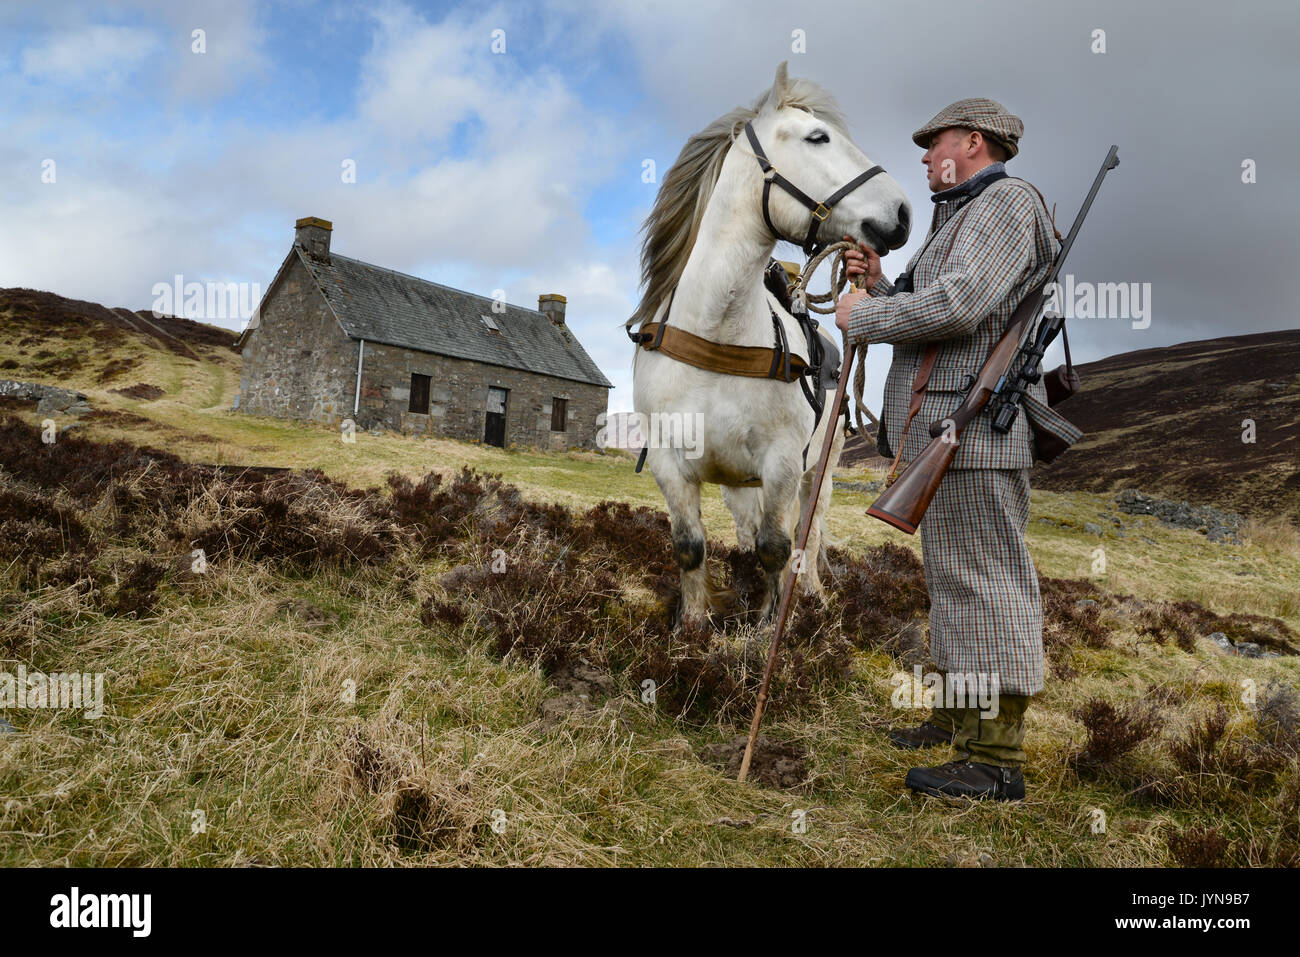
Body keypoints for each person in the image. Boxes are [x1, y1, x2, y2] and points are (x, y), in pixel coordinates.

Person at [834, 98, 1080, 802]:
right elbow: (945, 310)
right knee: (955, 584)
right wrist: (881, 284)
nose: (922, 156)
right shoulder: (968, 212)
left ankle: (995, 762)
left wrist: (866, 315)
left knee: (985, 583)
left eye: (932, 141)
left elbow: (961, 304)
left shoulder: (1004, 204)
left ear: (973, 141)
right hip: (950, 432)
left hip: (970, 435)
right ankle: (958, 720)